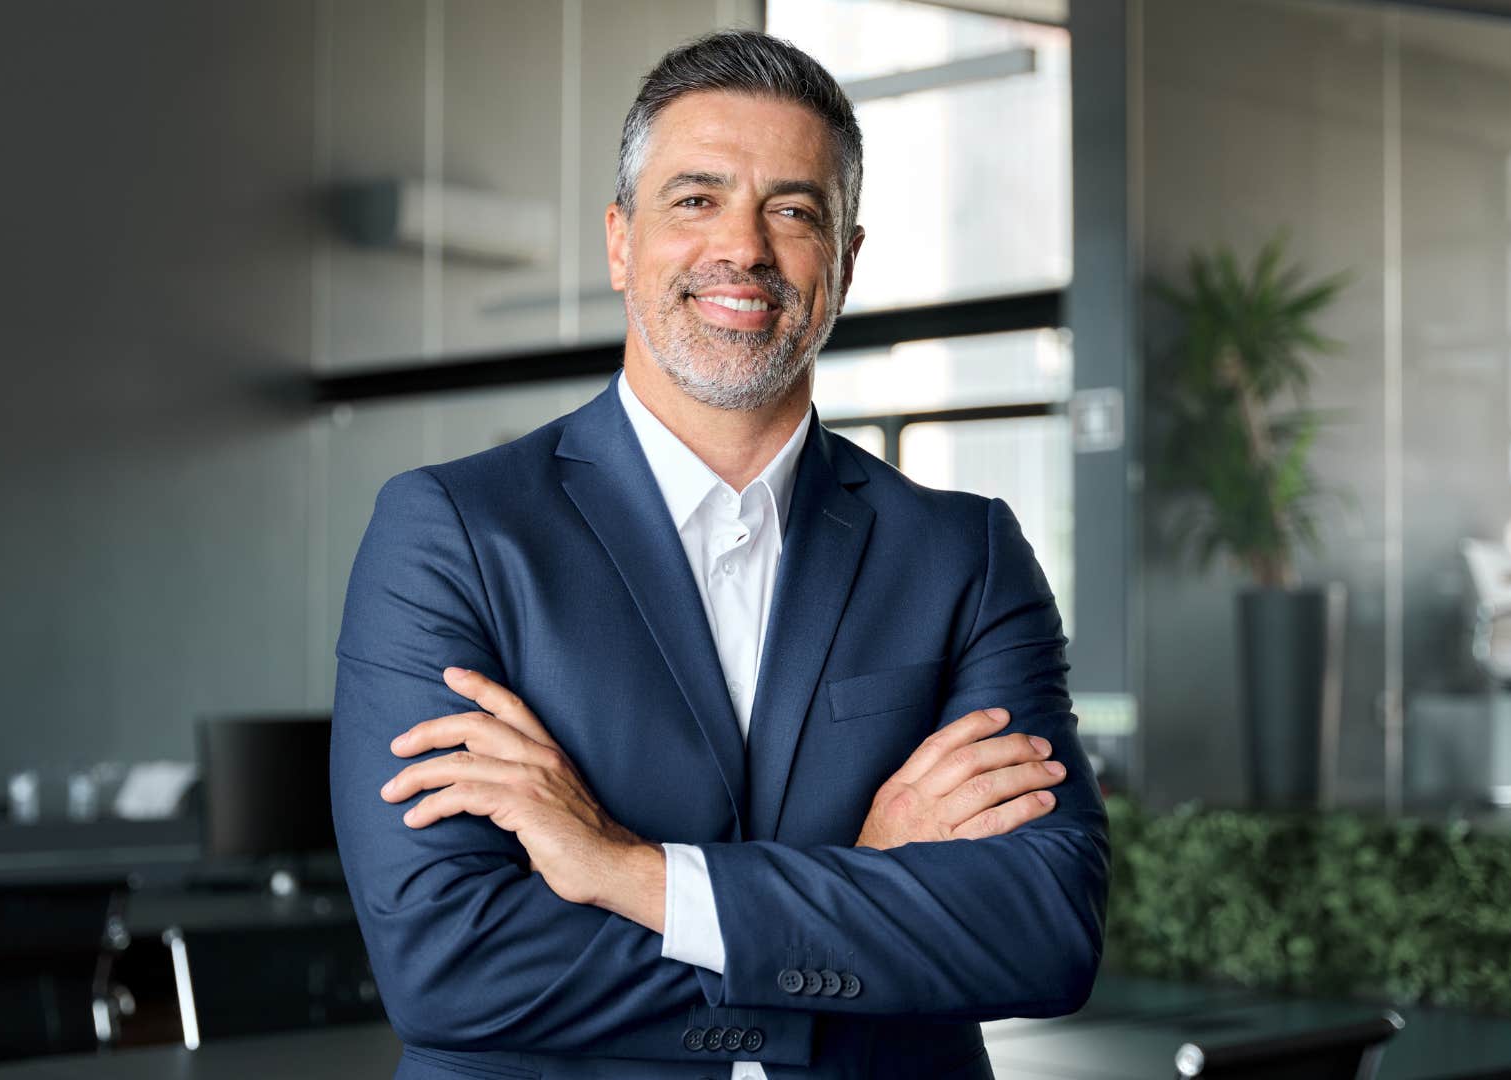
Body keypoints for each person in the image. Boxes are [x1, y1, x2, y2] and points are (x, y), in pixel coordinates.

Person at [332, 29, 1108, 1080]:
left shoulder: (963, 554)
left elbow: (1045, 933)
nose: (742, 247)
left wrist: (624, 871)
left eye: (793, 209)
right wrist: (860, 883)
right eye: (695, 199)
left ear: (844, 262)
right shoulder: (454, 536)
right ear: (619, 241)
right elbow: (449, 963)